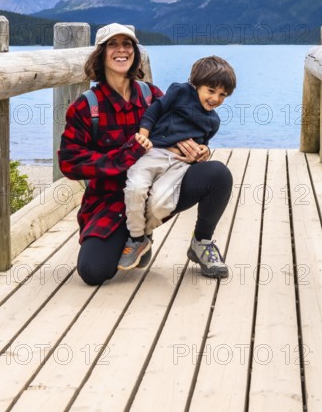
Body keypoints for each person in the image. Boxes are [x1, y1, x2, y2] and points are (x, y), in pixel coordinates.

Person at [58, 23, 234, 286]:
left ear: (135, 53)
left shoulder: (151, 94)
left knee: (218, 174)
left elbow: (184, 124)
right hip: (108, 200)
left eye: (127, 44)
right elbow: (70, 163)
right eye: (112, 45)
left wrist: (199, 149)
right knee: (93, 271)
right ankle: (138, 239)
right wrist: (127, 154)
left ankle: (201, 242)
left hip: (157, 188)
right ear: (101, 54)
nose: (121, 50)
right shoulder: (86, 106)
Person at [118, 55, 236, 272]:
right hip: (153, 154)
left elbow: (202, 144)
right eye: (211, 91)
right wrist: (143, 136)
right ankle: (136, 239)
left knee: (162, 204)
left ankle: (199, 243)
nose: (216, 99)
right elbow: (154, 111)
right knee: (135, 188)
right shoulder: (180, 92)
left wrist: (204, 151)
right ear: (196, 85)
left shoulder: (213, 121)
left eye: (223, 95)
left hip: (179, 165)